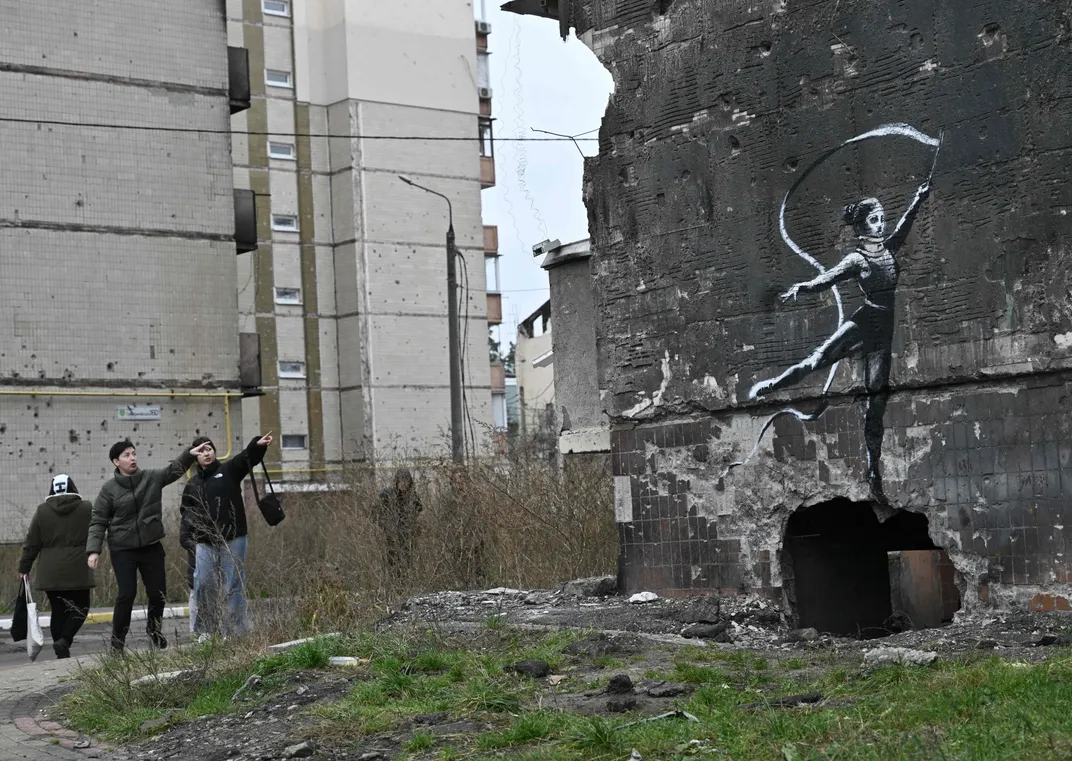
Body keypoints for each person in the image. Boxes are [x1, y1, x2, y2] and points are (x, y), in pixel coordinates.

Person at [748, 179, 932, 498]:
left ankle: (873, 470)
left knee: (876, 403)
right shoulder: (857, 260)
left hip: (882, 335)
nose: (881, 223)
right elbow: (827, 279)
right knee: (816, 361)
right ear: (862, 228)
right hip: (863, 322)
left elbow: (906, 223)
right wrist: (802, 288)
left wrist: (918, 199)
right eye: (874, 219)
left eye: (882, 218)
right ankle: (771, 386)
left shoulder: (888, 249)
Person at [88, 438, 208, 653]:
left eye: (133, 453)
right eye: (126, 455)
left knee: (157, 592)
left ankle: (154, 630)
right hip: (122, 549)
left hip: (151, 546)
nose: (132, 458)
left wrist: (190, 454)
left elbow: (174, 470)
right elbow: (98, 520)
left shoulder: (151, 478)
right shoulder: (109, 489)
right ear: (116, 462)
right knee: (127, 594)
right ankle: (117, 643)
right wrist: (94, 550)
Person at [180, 433, 272, 638]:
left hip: (233, 536)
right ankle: (206, 632)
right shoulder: (192, 484)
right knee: (203, 582)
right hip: (205, 540)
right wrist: (192, 536)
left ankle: (234, 632)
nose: (207, 453)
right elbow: (186, 513)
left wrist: (257, 444)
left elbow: (246, 457)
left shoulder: (228, 470)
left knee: (233, 583)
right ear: (196, 457)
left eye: (209, 448)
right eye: (201, 450)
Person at [18, 475, 95, 659]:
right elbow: (97, 531)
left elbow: (32, 542)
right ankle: (65, 640)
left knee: (58, 609)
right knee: (81, 606)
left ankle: (61, 651)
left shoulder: (42, 511)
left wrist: (24, 567)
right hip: (78, 567)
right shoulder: (86, 508)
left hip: (50, 570)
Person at [376, 468, 422, 570]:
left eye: (406, 480)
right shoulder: (387, 495)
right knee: (392, 565)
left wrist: (415, 528)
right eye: (401, 480)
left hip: (407, 537)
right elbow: (375, 512)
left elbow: (419, 512)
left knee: (407, 565)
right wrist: (384, 525)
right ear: (397, 481)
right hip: (391, 537)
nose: (403, 483)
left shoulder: (413, 497)